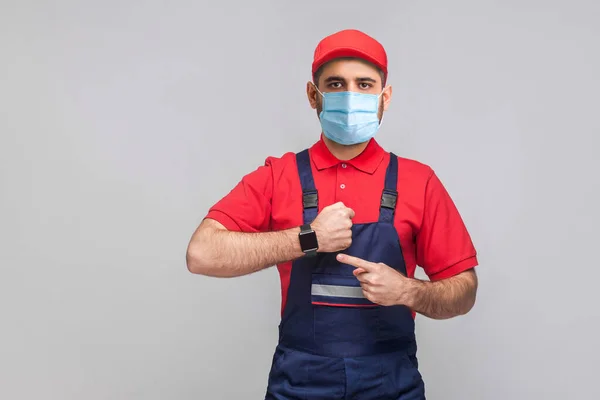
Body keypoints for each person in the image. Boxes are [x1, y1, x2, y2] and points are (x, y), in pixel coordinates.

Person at [186, 28, 479, 400]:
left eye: (365, 85)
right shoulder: (280, 176)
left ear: (384, 98)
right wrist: (308, 238)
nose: (350, 95)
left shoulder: (418, 181)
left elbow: (464, 292)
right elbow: (201, 254)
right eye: (336, 84)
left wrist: (408, 290)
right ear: (314, 94)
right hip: (300, 382)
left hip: (389, 383)